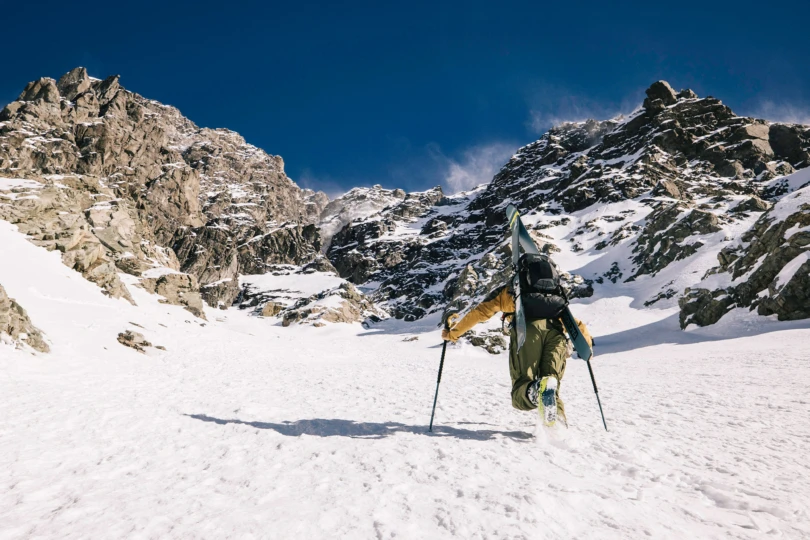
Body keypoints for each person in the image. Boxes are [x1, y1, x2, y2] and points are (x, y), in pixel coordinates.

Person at [441, 284, 593, 427]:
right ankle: (557, 424)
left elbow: (480, 313)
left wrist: (453, 334)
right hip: (557, 334)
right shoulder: (554, 291)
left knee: (522, 386)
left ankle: (536, 392)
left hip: (526, 331)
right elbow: (575, 324)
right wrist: (587, 347)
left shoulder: (511, 290)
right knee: (551, 382)